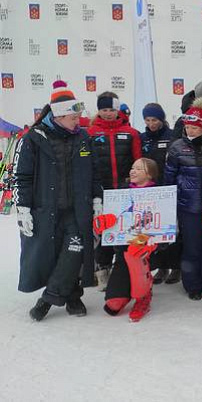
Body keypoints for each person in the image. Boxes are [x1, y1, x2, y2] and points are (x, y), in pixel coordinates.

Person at [16, 81, 102, 321]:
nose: (78, 121)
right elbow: (22, 176)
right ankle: (73, 296)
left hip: (77, 210)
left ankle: (48, 299)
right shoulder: (34, 139)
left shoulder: (84, 138)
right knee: (52, 256)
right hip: (46, 210)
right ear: (59, 116)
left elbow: (95, 173)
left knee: (74, 250)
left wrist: (97, 199)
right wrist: (23, 208)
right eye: (73, 117)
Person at [164, 98, 202, 300]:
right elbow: (168, 179)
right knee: (192, 247)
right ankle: (192, 285)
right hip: (188, 207)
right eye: (187, 126)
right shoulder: (177, 147)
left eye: (195, 127)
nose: (190, 131)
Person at [88, 92, 142, 291]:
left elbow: (138, 162)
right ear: (99, 110)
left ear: (118, 109)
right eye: (104, 109)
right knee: (103, 231)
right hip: (102, 192)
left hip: (125, 191)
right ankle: (102, 271)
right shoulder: (91, 133)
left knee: (124, 231)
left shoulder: (131, 133)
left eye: (112, 109)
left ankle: (123, 269)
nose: (108, 113)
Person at [102, 158, 161, 322]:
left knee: (136, 257)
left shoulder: (159, 193)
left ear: (149, 174)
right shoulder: (122, 191)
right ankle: (125, 291)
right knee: (113, 304)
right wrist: (105, 222)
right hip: (124, 245)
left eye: (138, 169)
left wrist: (157, 241)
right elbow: (114, 217)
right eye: (132, 167)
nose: (132, 171)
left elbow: (166, 222)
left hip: (146, 246)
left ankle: (143, 296)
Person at [139, 103, 182, 284]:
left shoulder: (171, 136)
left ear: (162, 119)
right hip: (151, 191)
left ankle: (176, 267)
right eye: (148, 120)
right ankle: (161, 267)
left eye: (154, 119)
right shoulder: (143, 138)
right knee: (156, 232)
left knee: (172, 231)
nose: (151, 124)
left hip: (169, 190)